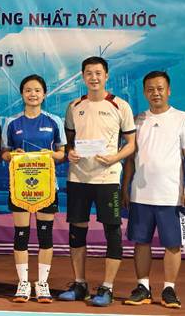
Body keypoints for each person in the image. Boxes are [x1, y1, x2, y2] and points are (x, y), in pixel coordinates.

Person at [58, 56, 135, 306]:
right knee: (77, 231)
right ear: (83, 76)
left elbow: (131, 144)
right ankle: (80, 284)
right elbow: (69, 142)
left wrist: (114, 157)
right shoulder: (74, 106)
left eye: (98, 73)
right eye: (89, 73)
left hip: (107, 178)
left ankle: (107, 287)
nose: (94, 77)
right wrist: (69, 152)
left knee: (112, 232)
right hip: (78, 177)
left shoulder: (120, 106)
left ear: (106, 75)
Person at [122, 71, 184, 309]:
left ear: (168, 90)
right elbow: (130, 158)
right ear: (144, 92)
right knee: (141, 242)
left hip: (172, 196)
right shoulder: (137, 121)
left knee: (173, 245)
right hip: (140, 195)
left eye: (160, 88)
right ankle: (143, 287)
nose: (155, 93)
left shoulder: (181, 118)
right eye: (150, 89)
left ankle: (169, 289)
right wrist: (125, 187)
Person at [2, 74, 66, 303]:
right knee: (21, 234)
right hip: (20, 187)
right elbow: (4, 153)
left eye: (37, 90)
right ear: (22, 94)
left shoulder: (54, 121)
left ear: (44, 94)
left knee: (45, 234)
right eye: (28, 90)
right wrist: (12, 155)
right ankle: (23, 283)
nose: (33, 94)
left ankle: (42, 283)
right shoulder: (12, 122)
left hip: (46, 187)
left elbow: (62, 153)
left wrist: (52, 155)